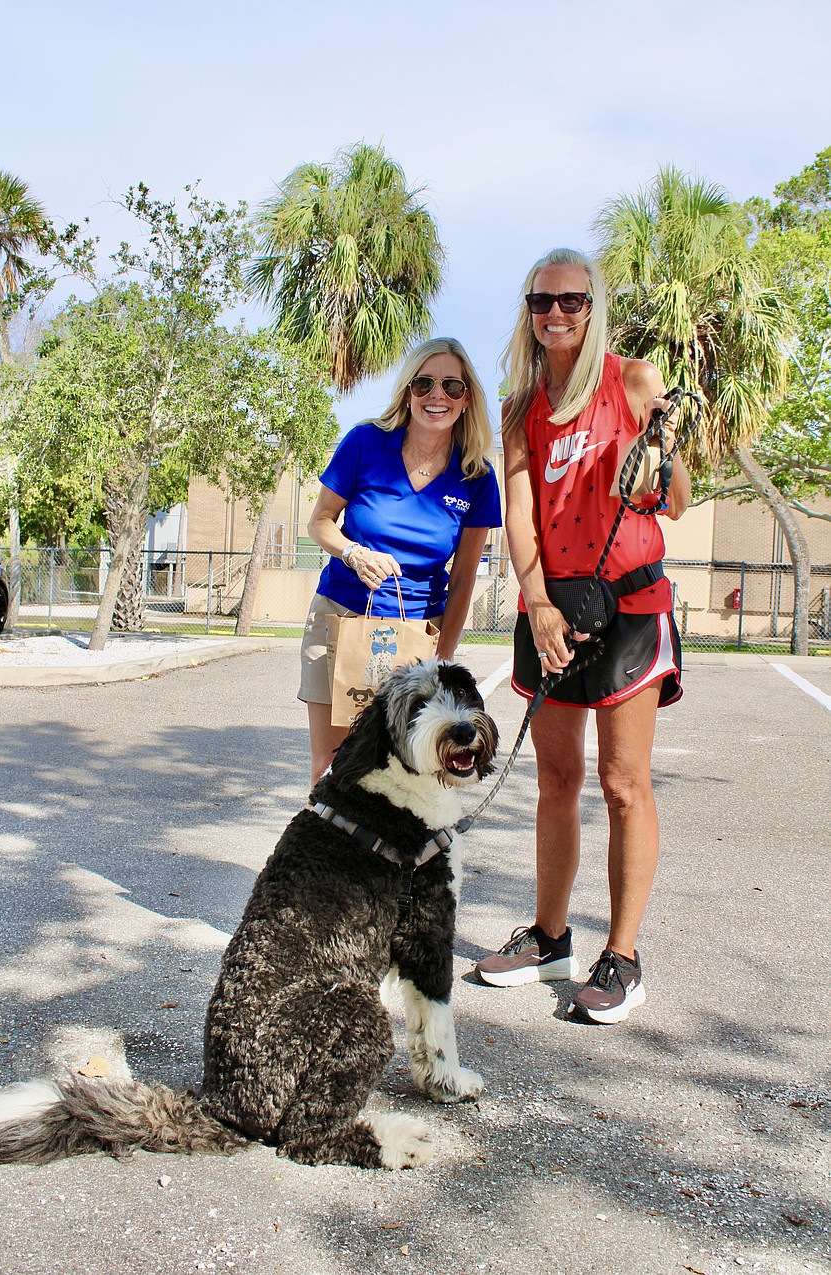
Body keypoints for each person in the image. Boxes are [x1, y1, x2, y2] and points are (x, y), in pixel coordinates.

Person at [475, 248, 690, 1023]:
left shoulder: (633, 381)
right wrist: (535, 603)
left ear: (593, 305)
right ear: (528, 311)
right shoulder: (520, 405)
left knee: (623, 781)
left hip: (630, 607)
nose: (555, 313)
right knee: (556, 781)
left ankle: (623, 955)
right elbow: (520, 513)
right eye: (541, 301)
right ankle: (550, 936)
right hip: (553, 611)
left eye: (570, 299)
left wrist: (659, 465)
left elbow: (679, 498)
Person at [300, 337, 502, 786]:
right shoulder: (366, 443)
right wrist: (353, 553)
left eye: (452, 386)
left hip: (418, 639)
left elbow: (464, 577)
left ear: (467, 397)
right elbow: (320, 523)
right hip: (342, 620)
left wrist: (443, 659)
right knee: (334, 768)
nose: (437, 396)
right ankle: (327, 857)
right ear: (407, 391)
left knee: (414, 777)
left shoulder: (477, 477)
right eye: (424, 383)